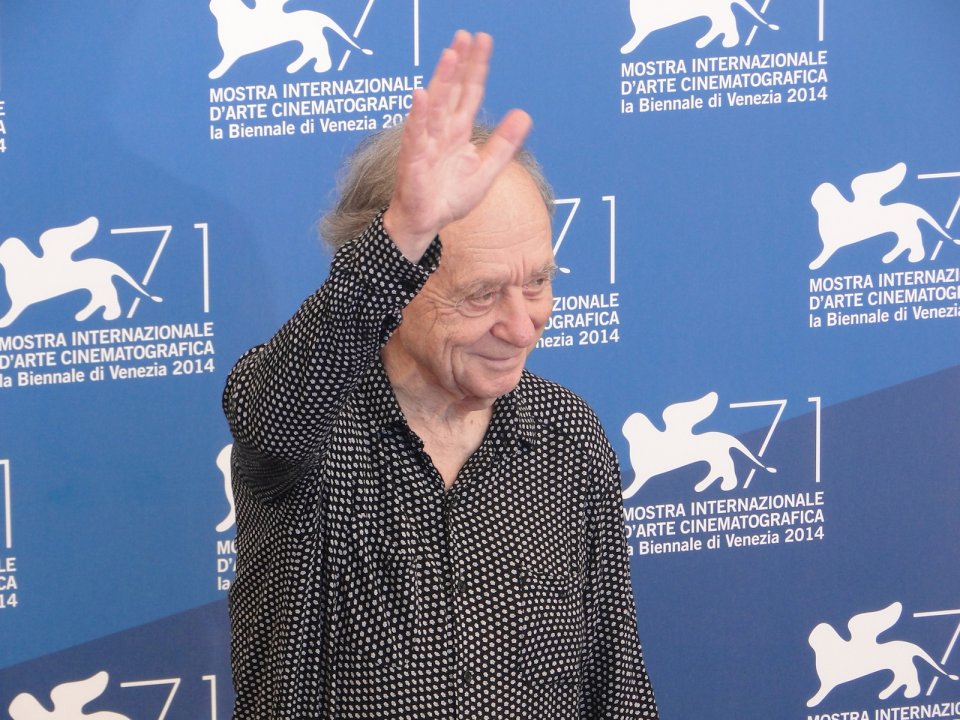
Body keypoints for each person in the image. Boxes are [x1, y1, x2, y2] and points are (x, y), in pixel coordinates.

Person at [223, 30, 659, 720]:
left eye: (538, 282)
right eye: (482, 295)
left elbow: (615, 677)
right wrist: (404, 232)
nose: (523, 327)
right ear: (397, 286)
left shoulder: (567, 436)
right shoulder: (307, 427)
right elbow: (269, 419)